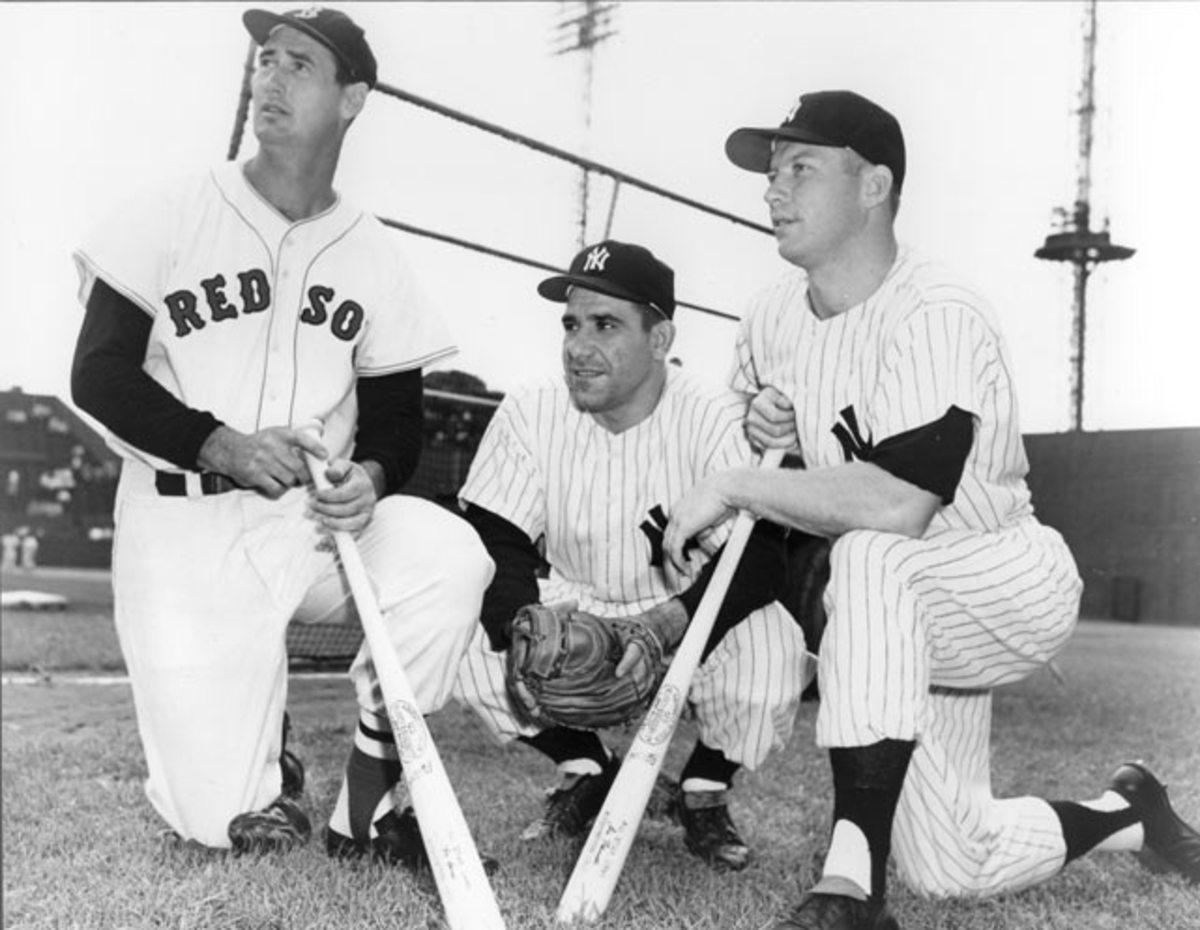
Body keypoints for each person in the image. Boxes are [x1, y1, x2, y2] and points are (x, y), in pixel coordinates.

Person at [662, 90, 1200, 928]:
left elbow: (899, 503)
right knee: (951, 863)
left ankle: (850, 887)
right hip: (898, 623)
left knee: (876, 556)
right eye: (772, 173)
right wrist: (762, 425)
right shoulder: (773, 314)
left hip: (1000, 573)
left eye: (800, 168)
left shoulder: (936, 308)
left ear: (874, 186)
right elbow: (789, 475)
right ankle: (1131, 813)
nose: (774, 190)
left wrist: (737, 482)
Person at [70, 6, 493, 860]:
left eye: (301, 64)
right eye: (266, 59)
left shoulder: (372, 251)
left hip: (310, 526)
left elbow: (398, 422)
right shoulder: (171, 210)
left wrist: (372, 477)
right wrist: (218, 442)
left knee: (452, 560)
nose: (272, 76)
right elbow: (99, 374)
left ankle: (365, 808)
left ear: (354, 99)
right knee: (219, 821)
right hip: (181, 523)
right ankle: (260, 736)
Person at [451, 240, 814, 870]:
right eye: (570, 323)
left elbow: (763, 559)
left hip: (687, 609)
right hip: (575, 601)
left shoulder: (713, 412)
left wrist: (668, 623)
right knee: (456, 633)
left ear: (659, 336)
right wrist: (521, 629)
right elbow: (494, 536)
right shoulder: (533, 406)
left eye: (605, 324)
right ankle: (586, 767)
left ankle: (703, 790)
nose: (577, 345)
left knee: (772, 654)